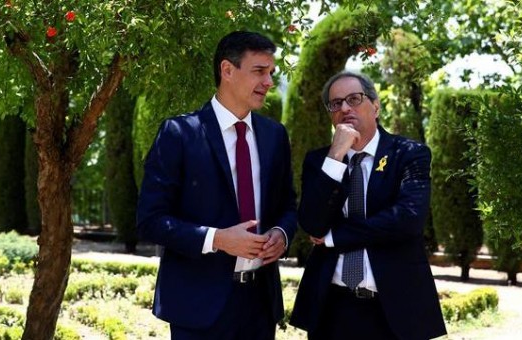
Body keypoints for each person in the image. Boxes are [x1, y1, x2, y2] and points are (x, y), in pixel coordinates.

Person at [137, 31, 297, 340]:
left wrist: (282, 234)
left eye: (271, 73)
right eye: (259, 71)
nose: (268, 82)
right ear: (227, 70)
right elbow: (151, 221)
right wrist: (218, 239)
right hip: (198, 308)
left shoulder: (275, 135)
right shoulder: (179, 133)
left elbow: (288, 205)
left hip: (260, 306)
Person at [289, 71, 447, 339]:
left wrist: (336, 237)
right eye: (335, 103)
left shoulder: (408, 154)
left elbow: (407, 219)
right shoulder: (320, 161)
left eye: (354, 99)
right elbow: (312, 223)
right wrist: (336, 156)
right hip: (331, 307)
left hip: (394, 309)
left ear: (375, 106)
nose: (345, 108)